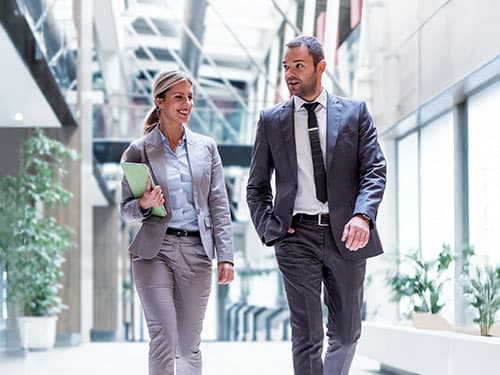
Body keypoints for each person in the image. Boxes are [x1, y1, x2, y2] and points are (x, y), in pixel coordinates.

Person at [246, 36, 386, 375]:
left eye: (298, 66)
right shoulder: (271, 120)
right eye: (285, 67)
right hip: (296, 237)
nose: (290, 74)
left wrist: (363, 216)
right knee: (306, 336)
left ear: (321, 67)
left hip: (348, 234)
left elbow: (374, 170)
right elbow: (257, 187)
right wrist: (272, 230)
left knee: (347, 332)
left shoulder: (354, 113)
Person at [120, 70, 234, 375]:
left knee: (188, 345)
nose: (187, 104)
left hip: (197, 252)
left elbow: (219, 205)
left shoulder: (206, 147)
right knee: (164, 339)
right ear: (160, 101)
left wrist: (226, 257)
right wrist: (144, 203)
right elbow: (125, 211)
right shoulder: (139, 150)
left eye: (191, 97)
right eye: (179, 97)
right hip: (154, 252)